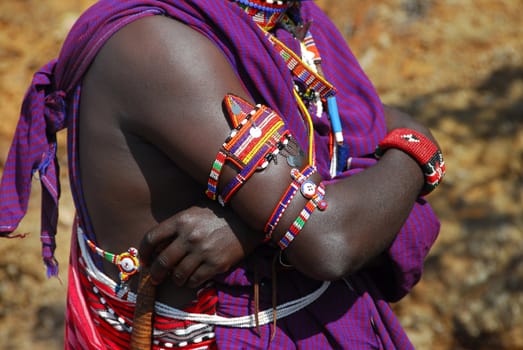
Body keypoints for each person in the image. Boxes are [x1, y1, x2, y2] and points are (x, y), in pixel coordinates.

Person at [0, 0, 445, 349]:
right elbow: (331, 240)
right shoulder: (158, 45)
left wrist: (249, 228)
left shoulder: (282, 19)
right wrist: (417, 148)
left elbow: (345, 131)